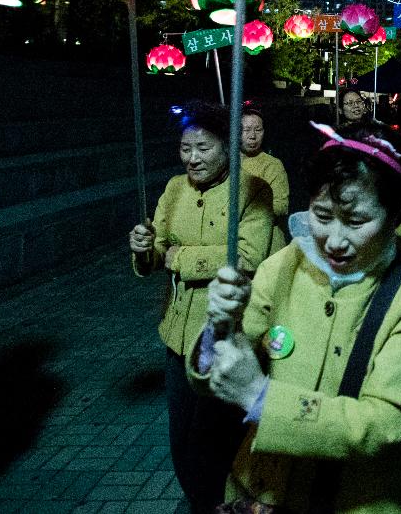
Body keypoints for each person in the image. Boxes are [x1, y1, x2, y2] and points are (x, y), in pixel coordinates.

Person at [189, 121, 401, 513]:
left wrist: (260, 398)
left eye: (356, 221)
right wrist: (220, 326)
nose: (335, 240)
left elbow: (383, 422)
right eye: (322, 215)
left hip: (356, 499)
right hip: (263, 490)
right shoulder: (289, 262)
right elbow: (219, 370)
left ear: (395, 214)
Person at [128, 101, 276, 514]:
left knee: (210, 440)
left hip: (224, 332)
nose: (192, 158)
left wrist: (179, 257)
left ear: (227, 147)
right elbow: (156, 250)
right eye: (185, 148)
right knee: (180, 440)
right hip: (177, 337)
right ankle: (204, 501)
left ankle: (214, 504)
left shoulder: (253, 189)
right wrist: (145, 250)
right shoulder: (174, 189)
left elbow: (247, 255)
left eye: (203, 148)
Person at [239, 103, 291, 241]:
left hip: (266, 238)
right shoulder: (227, 163)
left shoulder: (272, 165)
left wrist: (246, 210)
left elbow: (281, 206)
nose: (252, 136)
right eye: (246, 130)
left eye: (258, 130)